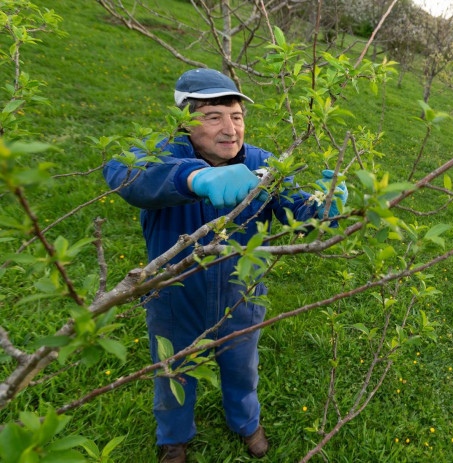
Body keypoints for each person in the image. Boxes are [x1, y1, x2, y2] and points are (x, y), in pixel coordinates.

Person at [103, 68, 347, 462]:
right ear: (185, 120)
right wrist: (194, 178)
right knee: (173, 370)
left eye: (236, 116)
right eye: (213, 116)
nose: (230, 129)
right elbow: (121, 173)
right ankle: (174, 438)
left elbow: (297, 214)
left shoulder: (263, 163)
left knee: (241, 367)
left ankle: (247, 422)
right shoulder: (163, 154)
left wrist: (323, 207)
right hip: (174, 295)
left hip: (242, 293)